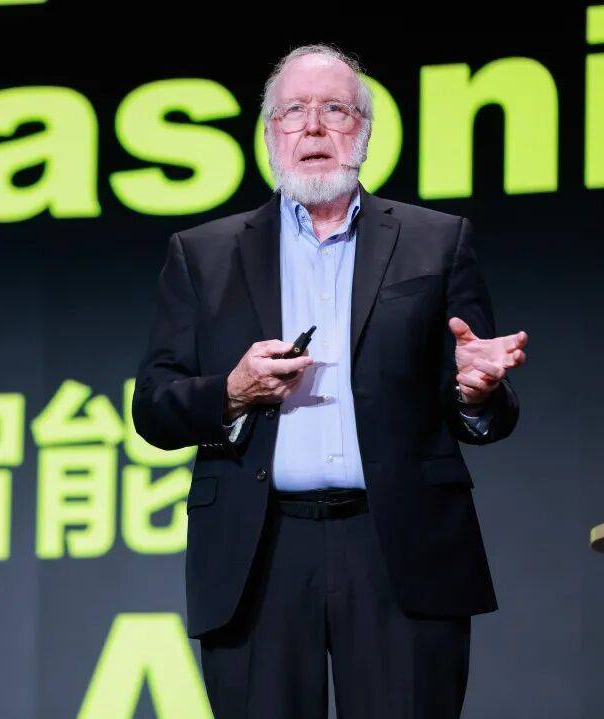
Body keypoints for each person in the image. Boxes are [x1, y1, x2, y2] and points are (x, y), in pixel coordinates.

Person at [131, 44, 528, 719]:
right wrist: (231, 392)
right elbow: (153, 407)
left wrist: (476, 391)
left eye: (335, 109)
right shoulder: (203, 255)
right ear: (270, 134)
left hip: (400, 544)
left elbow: (483, 408)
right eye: (293, 111)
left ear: (363, 132)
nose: (313, 126)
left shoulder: (437, 241)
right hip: (259, 552)